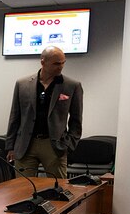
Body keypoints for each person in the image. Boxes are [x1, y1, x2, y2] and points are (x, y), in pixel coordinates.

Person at [5, 45, 83, 179]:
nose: (61, 66)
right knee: (21, 188)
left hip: (54, 146)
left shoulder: (72, 85)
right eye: (56, 63)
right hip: (25, 145)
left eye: (63, 62)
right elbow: (15, 117)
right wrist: (11, 146)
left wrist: (68, 145)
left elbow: (76, 119)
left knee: (57, 188)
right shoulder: (22, 84)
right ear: (43, 62)